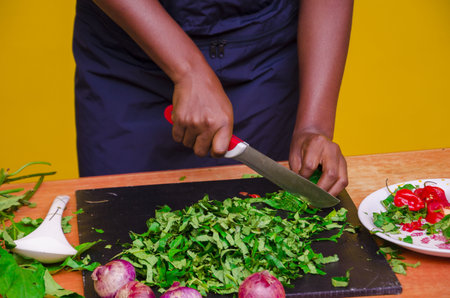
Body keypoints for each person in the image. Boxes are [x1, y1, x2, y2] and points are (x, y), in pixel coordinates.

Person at [73, 0, 353, 196]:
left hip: (263, 58)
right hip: (128, 59)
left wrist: (313, 126)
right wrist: (188, 70)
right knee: (117, 226)